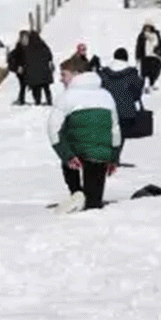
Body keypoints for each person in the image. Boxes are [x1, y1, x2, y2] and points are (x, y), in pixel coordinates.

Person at [47, 57, 121, 212]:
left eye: (64, 75)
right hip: (100, 155)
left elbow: (54, 129)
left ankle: (77, 193)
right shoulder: (106, 95)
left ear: (76, 74)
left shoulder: (67, 97)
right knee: (94, 202)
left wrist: (66, 155)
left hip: (76, 152)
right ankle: (91, 201)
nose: (61, 79)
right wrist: (113, 158)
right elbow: (115, 130)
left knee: (69, 162)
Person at [99, 48, 144, 149]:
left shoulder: (104, 73)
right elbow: (137, 92)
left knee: (108, 132)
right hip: (126, 112)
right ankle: (115, 155)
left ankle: (107, 154)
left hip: (106, 109)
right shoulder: (132, 74)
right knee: (121, 135)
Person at [25, 29, 55, 105]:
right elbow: (49, 55)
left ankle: (37, 101)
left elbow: (26, 60)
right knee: (46, 88)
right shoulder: (42, 44)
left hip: (34, 72)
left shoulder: (28, 47)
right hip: (44, 71)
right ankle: (49, 101)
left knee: (36, 88)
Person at [133, 22, 161, 91]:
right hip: (145, 57)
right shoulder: (142, 35)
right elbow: (139, 46)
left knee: (155, 72)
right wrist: (138, 56)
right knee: (144, 73)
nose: (147, 29)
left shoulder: (156, 35)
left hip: (155, 57)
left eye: (149, 27)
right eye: (146, 27)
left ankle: (152, 84)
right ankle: (145, 86)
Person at [8, 30, 30, 105]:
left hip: (28, 69)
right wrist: (17, 67)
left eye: (26, 37)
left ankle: (22, 99)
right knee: (23, 85)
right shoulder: (18, 48)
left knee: (25, 85)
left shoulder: (30, 47)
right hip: (21, 70)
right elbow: (13, 58)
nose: (25, 39)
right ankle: (21, 99)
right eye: (23, 37)